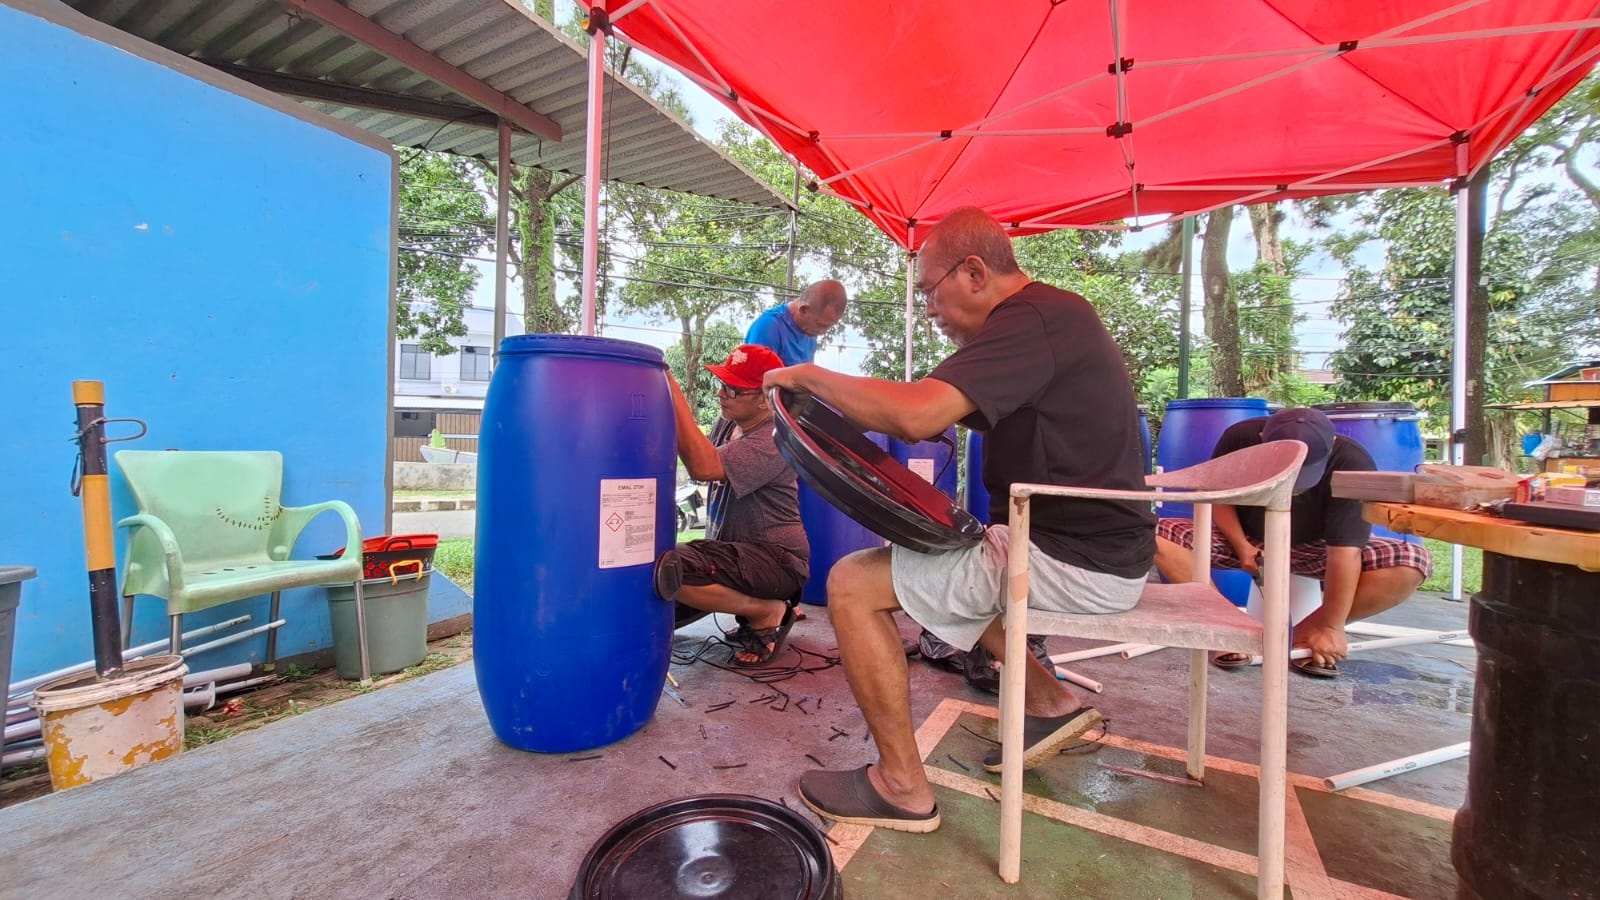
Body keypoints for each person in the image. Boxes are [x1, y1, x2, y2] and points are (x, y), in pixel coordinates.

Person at [762, 207, 1153, 833]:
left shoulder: (1031, 320)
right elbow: (918, 408)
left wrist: (809, 375)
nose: (931, 311)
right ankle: (1049, 703)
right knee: (965, 562)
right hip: (1082, 546)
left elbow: (918, 415)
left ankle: (900, 788)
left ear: (973, 272)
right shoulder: (1049, 320)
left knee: (851, 584)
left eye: (929, 293)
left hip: (1078, 560)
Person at [1153, 407, 1432, 677]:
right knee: (1151, 535)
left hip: (1317, 547)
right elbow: (1220, 496)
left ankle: (1309, 634)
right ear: (1262, 439)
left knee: (1411, 563)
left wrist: (1332, 625)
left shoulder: (1352, 462)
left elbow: (1344, 551)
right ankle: (1222, 629)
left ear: (1332, 443)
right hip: (1247, 539)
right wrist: (1240, 544)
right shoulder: (1240, 438)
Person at [655, 344, 810, 666]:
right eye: (721, 384)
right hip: (729, 555)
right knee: (654, 597)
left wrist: (670, 388)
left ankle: (767, 610)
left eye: (734, 389)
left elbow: (704, 466)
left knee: (670, 567)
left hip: (777, 560)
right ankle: (755, 607)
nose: (722, 394)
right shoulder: (729, 422)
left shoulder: (776, 438)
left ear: (765, 398)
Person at [745, 280, 848, 366]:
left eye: (828, 327)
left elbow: (808, 372)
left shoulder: (810, 331)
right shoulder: (768, 327)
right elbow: (754, 382)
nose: (822, 332)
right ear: (804, 310)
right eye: (820, 325)